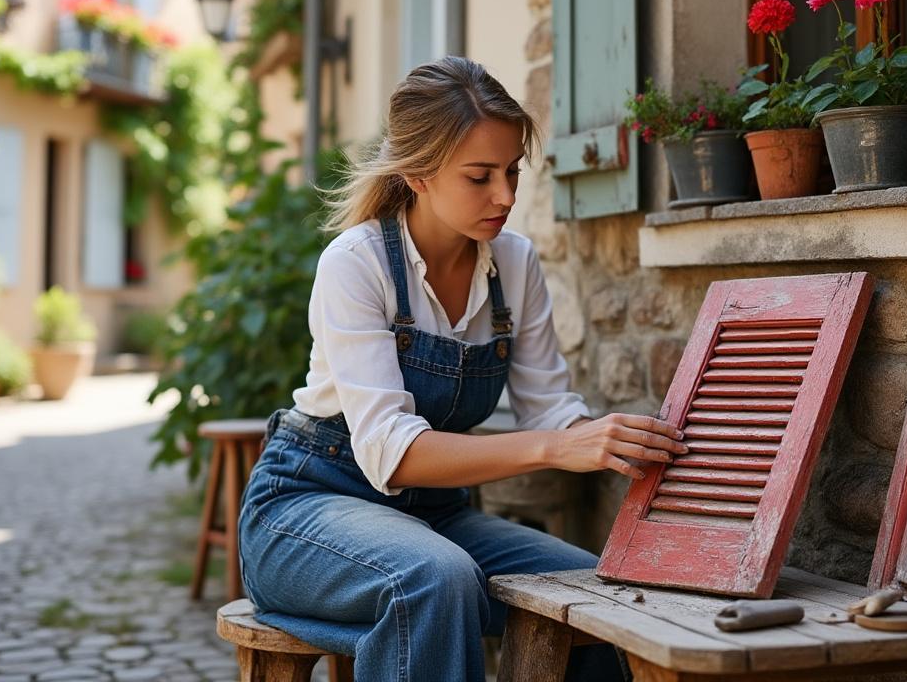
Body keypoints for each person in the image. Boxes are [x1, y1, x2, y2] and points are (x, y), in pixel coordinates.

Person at [239, 56, 688, 682]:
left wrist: (608, 439)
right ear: (419, 174)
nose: (504, 196)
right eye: (479, 176)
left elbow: (550, 406)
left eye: (511, 172)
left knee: (588, 593)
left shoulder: (515, 264)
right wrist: (556, 447)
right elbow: (391, 454)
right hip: (307, 510)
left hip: (432, 516)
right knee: (434, 579)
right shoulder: (356, 264)